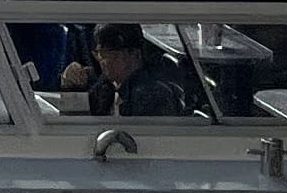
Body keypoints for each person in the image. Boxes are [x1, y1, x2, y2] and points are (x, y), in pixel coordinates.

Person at [57, 21, 191, 120]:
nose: (104, 62)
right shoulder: (107, 85)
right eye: (100, 54)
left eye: (112, 55)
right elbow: (74, 123)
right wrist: (72, 87)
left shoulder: (152, 96)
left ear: (135, 54)